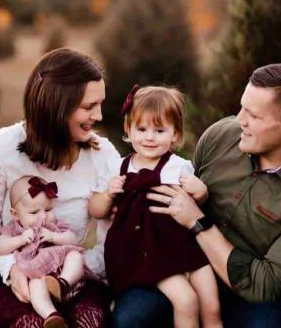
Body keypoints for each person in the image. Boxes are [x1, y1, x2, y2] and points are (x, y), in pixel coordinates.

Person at [116, 63, 281, 328]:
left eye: (253, 115)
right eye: (242, 107)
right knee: (131, 318)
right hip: (185, 265)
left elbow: (268, 284)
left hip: (253, 295)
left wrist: (198, 222)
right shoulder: (221, 136)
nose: (239, 120)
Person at [0, 48, 119, 328]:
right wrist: (13, 270)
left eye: (100, 105)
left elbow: (111, 241)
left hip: (72, 272)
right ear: (58, 105)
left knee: (89, 321)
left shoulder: (102, 155)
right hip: (7, 272)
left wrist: (69, 269)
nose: (99, 116)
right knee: (29, 323)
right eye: (89, 107)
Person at [90, 85, 222, 328]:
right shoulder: (118, 168)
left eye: (159, 130)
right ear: (128, 129)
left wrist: (200, 192)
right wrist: (109, 194)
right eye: (141, 129)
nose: (149, 137)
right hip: (150, 254)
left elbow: (195, 206)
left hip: (186, 248)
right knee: (186, 301)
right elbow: (96, 210)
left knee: (212, 306)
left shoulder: (178, 167)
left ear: (175, 134)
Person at [0, 176, 88, 328]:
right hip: (38, 277)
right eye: (34, 212)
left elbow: (72, 239)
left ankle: (61, 284)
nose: (43, 216)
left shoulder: (54, 225)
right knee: (35, 285)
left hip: (66, 278)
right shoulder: (15, 229)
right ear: (15, 214)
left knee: (75, 256)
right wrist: (20, 240)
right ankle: (52, 316)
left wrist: (54, 236)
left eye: (48, 209)